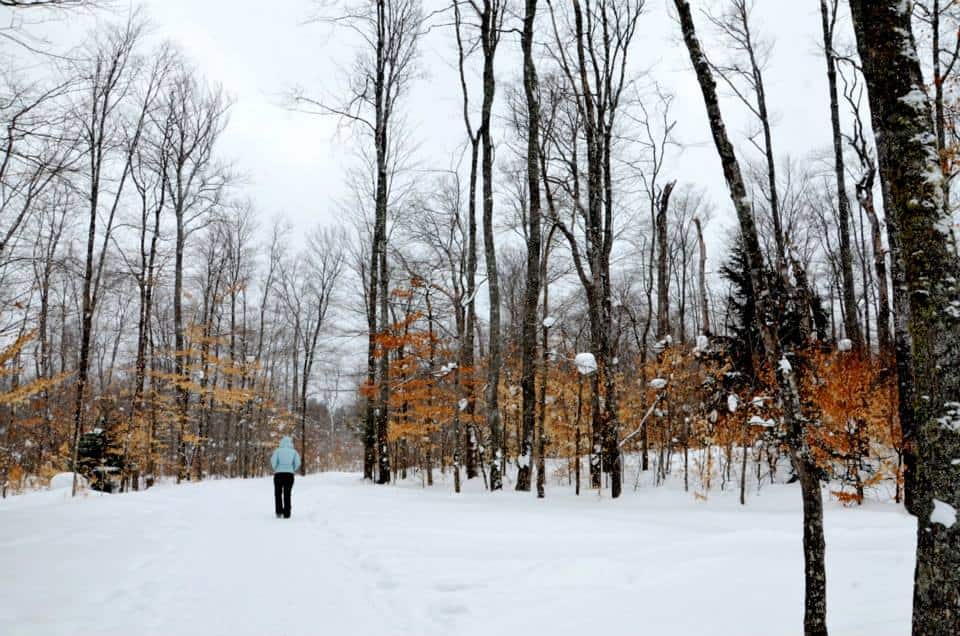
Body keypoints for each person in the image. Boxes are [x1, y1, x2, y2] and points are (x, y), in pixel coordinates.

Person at [270, 436, 301, 519]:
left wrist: (276, 468)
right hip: (289, 475)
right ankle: (287, 513)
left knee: (278, 493)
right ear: (290, 443)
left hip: (278, 475)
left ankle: (279, 511)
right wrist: (292, 469)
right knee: (287, 494)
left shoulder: (278, 451)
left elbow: (273, 462)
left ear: (281, 442)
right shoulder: (294, 452)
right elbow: (298, 463)